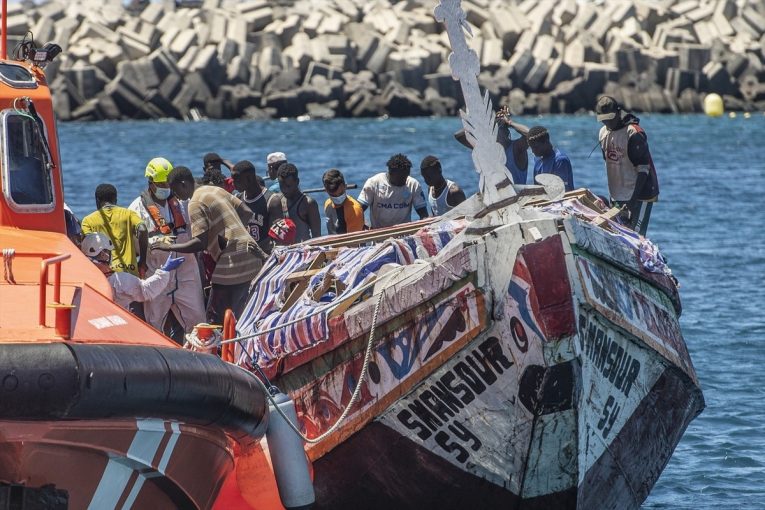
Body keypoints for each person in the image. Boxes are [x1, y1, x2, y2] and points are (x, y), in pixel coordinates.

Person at [157, 166, 268, 324]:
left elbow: (199, 244)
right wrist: (231, 234)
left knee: (213, 318)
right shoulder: (214, 190)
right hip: (252, 254)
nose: (176, 196)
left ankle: (214, 348)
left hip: (231, 261)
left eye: (175, 190)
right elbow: (246, 211)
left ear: (183, 184)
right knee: (243, 314)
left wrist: (168, 247)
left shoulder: (194, 203)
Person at [128, 157, 206, 335]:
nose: (164, 187)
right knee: (154, 323)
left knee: (198, 321)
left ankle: (202, 354)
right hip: (157, 273)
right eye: (160, 183)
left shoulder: (183, 202)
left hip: (186, 273)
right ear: (151, 182)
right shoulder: (136, 209)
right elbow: (136, 247)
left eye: (166, 182)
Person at [595, 96, 659, 235]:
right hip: (618, 194)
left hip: (640, 194)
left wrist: (632, 201)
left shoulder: (633, 133)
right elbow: (610, 163)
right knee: (619, 234)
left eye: (610, 118)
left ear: (618, 113)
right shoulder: (603, 133)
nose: (607, 122)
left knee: (635, 236)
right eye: (603, 119)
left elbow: (643, 169)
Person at [81, 232, 184, 311]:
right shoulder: (120, 280)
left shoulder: (80, 277)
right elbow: (146, 290)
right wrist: (165, 270)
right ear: (104, 254)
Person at [81, 183, 148, 278]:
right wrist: (142, 261)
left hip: (105, 275)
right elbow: (143, 229)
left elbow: (88, 248)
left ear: (97, 200)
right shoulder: (128, 214)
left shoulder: (88, 221)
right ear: (115, 200)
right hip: (129, 273)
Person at [454, 105, 529, 184]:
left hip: (518, 195)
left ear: (506, 131)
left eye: (495, 130)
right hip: (495, 195)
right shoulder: (487, 150)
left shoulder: (516, 148)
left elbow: (529, 134)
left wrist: (510, 123)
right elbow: (458, 135)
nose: (490, 134)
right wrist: (478, 123)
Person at [358, 153, 428, 229]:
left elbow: (423, 215)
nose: (404, 181)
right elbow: (358, 210)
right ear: (390, 173)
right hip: (378, 233)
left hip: (404, 233)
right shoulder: (374, 183)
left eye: (406, 176)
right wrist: (361, 225)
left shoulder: (413, 184)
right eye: (401, 178)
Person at [267, 163, 321, 243]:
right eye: (282, 186)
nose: (285, 190)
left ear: (297, 182)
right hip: (283, 253)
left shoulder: (308, 204)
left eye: (288, 186)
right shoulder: (276, 202)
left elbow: (317, 236)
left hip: (304, 252)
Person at [231, 160, 273, 253]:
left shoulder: (271, 200)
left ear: (249, 179)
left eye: (237, 180)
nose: (233, 184)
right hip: (245, 255)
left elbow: (276, 236)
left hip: (265, 256)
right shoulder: (237, 198)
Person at [526, 125, 575, 192]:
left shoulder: (560, 160)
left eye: (535, 147)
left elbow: (562, 192)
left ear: (546, 141)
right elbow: (537, 191)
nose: (533, 151)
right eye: (531, 148)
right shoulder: (538, 162)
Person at [322, 169, 365, 235]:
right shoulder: (327, 204)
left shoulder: (355, 209)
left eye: (341, 193)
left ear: (345, 186)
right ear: (326, 190)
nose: (338, 197)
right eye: (333, 195)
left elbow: (354, 242)